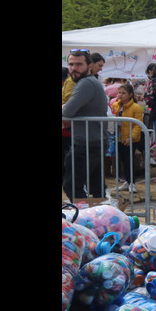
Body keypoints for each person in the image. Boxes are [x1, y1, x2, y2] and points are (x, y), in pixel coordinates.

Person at [62, 49, 109, 200]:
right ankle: (100, 217)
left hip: (87, 142)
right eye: (71, 64)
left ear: (89, 65)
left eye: (79, 64)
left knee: (72, 185)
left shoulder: (86, 83)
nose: (74, 68)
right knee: (96, 186)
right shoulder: (87, 82)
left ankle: (84, 217)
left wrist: (65, 108)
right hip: (92, 140)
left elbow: (68, 111)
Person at [110, 83, 144, 191]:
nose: (120, 95)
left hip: (129, 139)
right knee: (121, 161)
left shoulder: (136, 107)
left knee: (128, 160)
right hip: (118, 137)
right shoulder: (115, 105)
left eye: (123, 93)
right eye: (119, 92)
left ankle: (132, 183)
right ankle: (127, 181)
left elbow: (138, 126)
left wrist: (131, 137)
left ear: (130, 94)